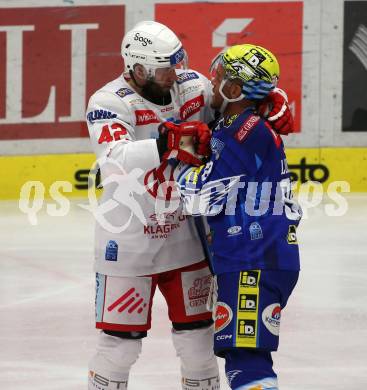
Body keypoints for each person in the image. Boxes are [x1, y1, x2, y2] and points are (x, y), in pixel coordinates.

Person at [86, 19, 295, 390]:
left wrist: (267, 101)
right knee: (119, 345)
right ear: (136, 68)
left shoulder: (193, 85)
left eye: (176, 64)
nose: (174, 75)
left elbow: (232, 109)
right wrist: (167, 142)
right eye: (164, 69)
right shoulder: (108, 101)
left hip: (187, 239)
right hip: (130, 240)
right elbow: (112, 158)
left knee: (199, 341)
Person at [172, 44, 301, 390]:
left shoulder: (241, 132)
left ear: (233, 90)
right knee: (242, 357)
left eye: (219, 77)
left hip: (252, 260)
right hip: (259, 257)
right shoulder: (241, 124)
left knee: (247, 364)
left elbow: (201, 197)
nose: (211, 83)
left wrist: (178, 161)